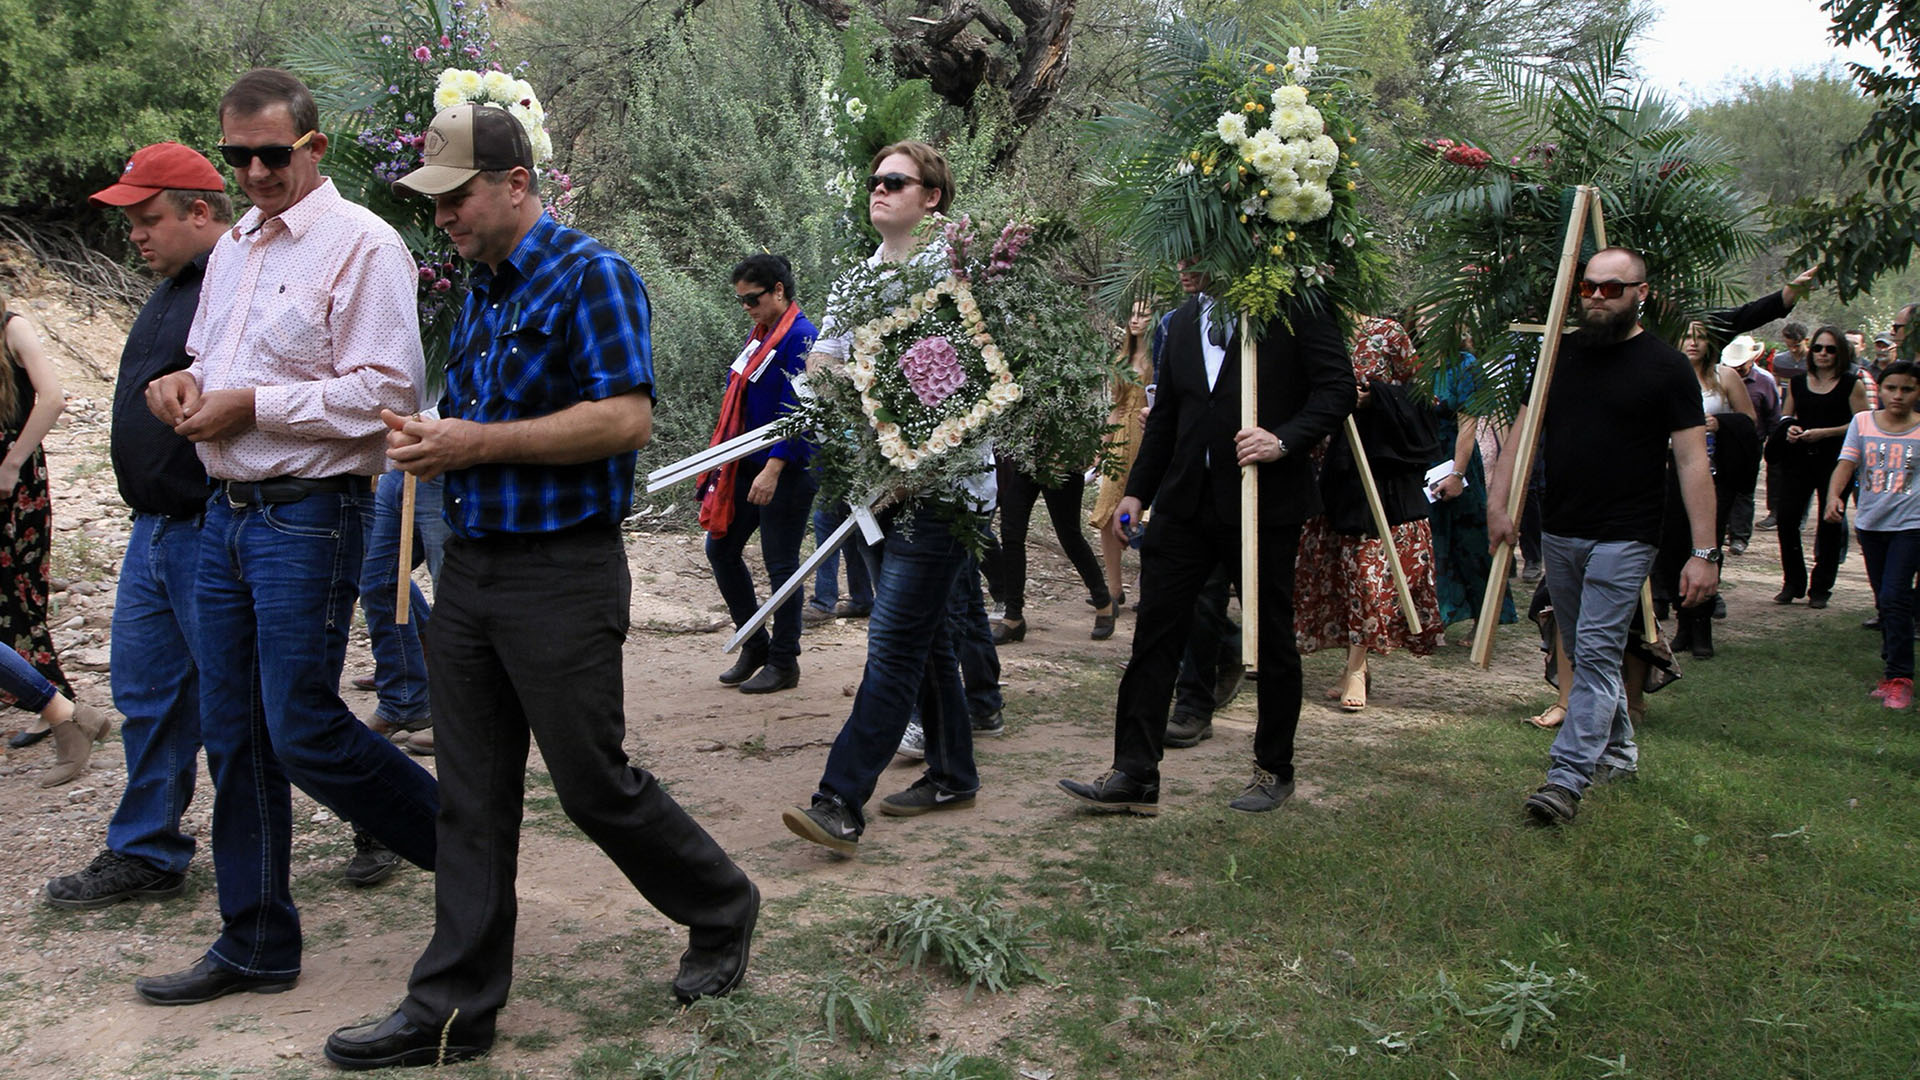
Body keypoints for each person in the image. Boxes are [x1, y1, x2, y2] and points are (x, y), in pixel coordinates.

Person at [322, 104, 760, 1070]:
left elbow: (626, 419)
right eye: (435, 202)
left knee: (591, 786)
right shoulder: (479, 292)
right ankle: (453, 1011)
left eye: (457, 196)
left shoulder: (591, 275)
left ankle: (722, 904)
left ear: (516, 183)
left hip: (562, 574)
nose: (444, 216)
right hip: (473, 573)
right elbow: (479, 423)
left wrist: (474, 444)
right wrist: (433, 440)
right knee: (470, 799)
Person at [133, 68, 440, 1007]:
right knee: (234, 734)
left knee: (300, 725)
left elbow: (390, 393)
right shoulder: (235, 249)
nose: (257, 172)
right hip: (225, 513)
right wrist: (181, 387)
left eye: (273, 153)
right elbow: (210, 361)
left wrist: (251, 405)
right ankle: (256, 939)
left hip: (310, 511)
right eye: (239, 156)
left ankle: (469, 849)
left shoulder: (363, 244)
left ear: (314, 145)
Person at [1058, 259, 1354, 815]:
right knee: (1154, 635)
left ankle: (1274, 769)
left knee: (1271, 639)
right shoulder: (1183, 321)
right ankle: (1134, 774)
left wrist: (1282, 440)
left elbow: (1338, 390)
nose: (1182, 264)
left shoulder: (1292, 308)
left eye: (1195, 251)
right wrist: (1137, 491)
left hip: (1263, 502)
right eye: (1177, 252)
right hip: (1184, 503)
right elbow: (1168, 415)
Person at [781, 140, 994, 855]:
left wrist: (884, 413)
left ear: (931, 196)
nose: (879, 189)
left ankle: (839, 801)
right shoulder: (857, 280)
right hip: (876, 489)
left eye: (895, 181)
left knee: (895, 642)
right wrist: (854, 396)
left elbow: (971, 387)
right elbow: (822, 364)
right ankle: (954, 774)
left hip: (945, 491)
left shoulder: (956, 272)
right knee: (926, 642)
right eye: (874, 180)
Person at [43, 145, 223, 906]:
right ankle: (147, 850)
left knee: (257, 703)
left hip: (212, 527)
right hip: (153, 529)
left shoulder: (236, 284)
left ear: (199, 211)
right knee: (149, 694)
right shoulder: (172, 287)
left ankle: (378, 815)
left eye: (148, 219)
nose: (136, 236)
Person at [1487, 247, 1719, 825]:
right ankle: (1619, 752)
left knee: (1593, 651)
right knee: (1583, 649)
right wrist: (1498, 502)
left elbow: (1692, 462)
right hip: (1562, 529)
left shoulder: (1666, 367)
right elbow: (1522, 433)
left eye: (1611, 289)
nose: (1596, 297)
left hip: (1627, 534)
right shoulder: (1558, 356)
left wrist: (1704, 552)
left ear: (1641, 293)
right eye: (1588, 287)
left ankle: (1565, 780)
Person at [1294, 316, 1444, 710]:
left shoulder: (1386, 334)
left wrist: (1376, 397)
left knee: (1365, 569)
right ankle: (1353, 662)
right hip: (1325, 470)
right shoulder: (1309, 331)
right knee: (1340, 571)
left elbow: (1423, 396)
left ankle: (1357, 668)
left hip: (1375, 470)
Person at [699, 254, 817, 693]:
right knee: (721, 549)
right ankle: (755, 642)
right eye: (741, 301)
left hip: (786, 468)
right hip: (747, 464)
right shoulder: (761, 334)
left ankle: (785, 661)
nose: (746, 308)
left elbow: (801, 408)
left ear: (778, 291)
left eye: (752, 299)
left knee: (781, 563)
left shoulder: (802, 336)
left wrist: (773, 468)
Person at [0, 289, 95, 780]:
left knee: (20, 595)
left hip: (11, 480)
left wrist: (13, 462)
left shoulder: (11, 326)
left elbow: (53, 397)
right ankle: (56, 706)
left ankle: (58, 706)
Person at [1658, 322, 1760, 658]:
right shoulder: (1666, 375)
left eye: (1700, 337)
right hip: (1672, 471)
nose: (1693, 343)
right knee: (1673, 546)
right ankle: (1683, 622)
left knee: (1707, 545)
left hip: (1715, 474)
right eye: (1687, 336)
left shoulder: (1725, 376)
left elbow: (1749, 420)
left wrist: (1721, 423)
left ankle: (1702, 627)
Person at [1828, 360, 1920, 706]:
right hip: (1871, 524)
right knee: (1885, 599)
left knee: (1895, 596)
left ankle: (1900, 677)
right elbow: (1847, 462)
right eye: (1891, 388)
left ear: (1918, 392)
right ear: (1879, 389)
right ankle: (1891, 667)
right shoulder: (1863, 422)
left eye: (1907, 389)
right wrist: (1834, 496)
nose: (1898, 395)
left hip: (1911, 526)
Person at [1773, 325, 1870, 609]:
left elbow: (1863, 423)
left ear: (1840, 353)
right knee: (1787, 518)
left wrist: (1825, 433)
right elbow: (1786, 416)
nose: (1823, 354)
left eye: (1830, 349)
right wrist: (1791, 429)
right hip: (1799, 458)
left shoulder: (1851, 384)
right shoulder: (1798, 382)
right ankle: (1793, 582)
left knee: (1830, 522)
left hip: (1836, 461)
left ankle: (1821, 588)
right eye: (1818, 348)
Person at [1426, 343, 1516, 638]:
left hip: (1456, 461)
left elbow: (1467, 426)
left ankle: (1485, 618)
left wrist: (1457, 474)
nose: (1426, 323)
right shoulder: (1415, 363)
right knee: (1430, 542)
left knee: (1470, 541)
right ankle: (1434, 619)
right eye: (1422, 318)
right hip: (1422, 459)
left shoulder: (1464, 365)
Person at [993, 451, 1113, 643]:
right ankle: (1013, 615)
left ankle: (1103, 600)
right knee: (1011, 533)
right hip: (1026, 458)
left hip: (1063, 458)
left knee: (1069, 535)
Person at [1089, 300, 1156, 641]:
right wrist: (1102, 445)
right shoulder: (1122, 359)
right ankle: (1113, 589)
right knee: (1109, 510)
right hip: (1120, 437)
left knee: (1146, 514)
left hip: (1149, 435)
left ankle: (1148, 590)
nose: (1135, 320)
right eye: (1132, 313)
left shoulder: (1160, 358)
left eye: (1143, 314)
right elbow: (1115, 407)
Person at [1723, 335, 1780, 556]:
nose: (1737, 370)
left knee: (1744, 490)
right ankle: (1723, 529)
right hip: (1722, 439)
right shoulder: (1720, 376)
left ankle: (1739, 536)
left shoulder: (1764, 381)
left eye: (1741, 366)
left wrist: (1773, 444)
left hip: (1751, 442)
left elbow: (1773, 414)